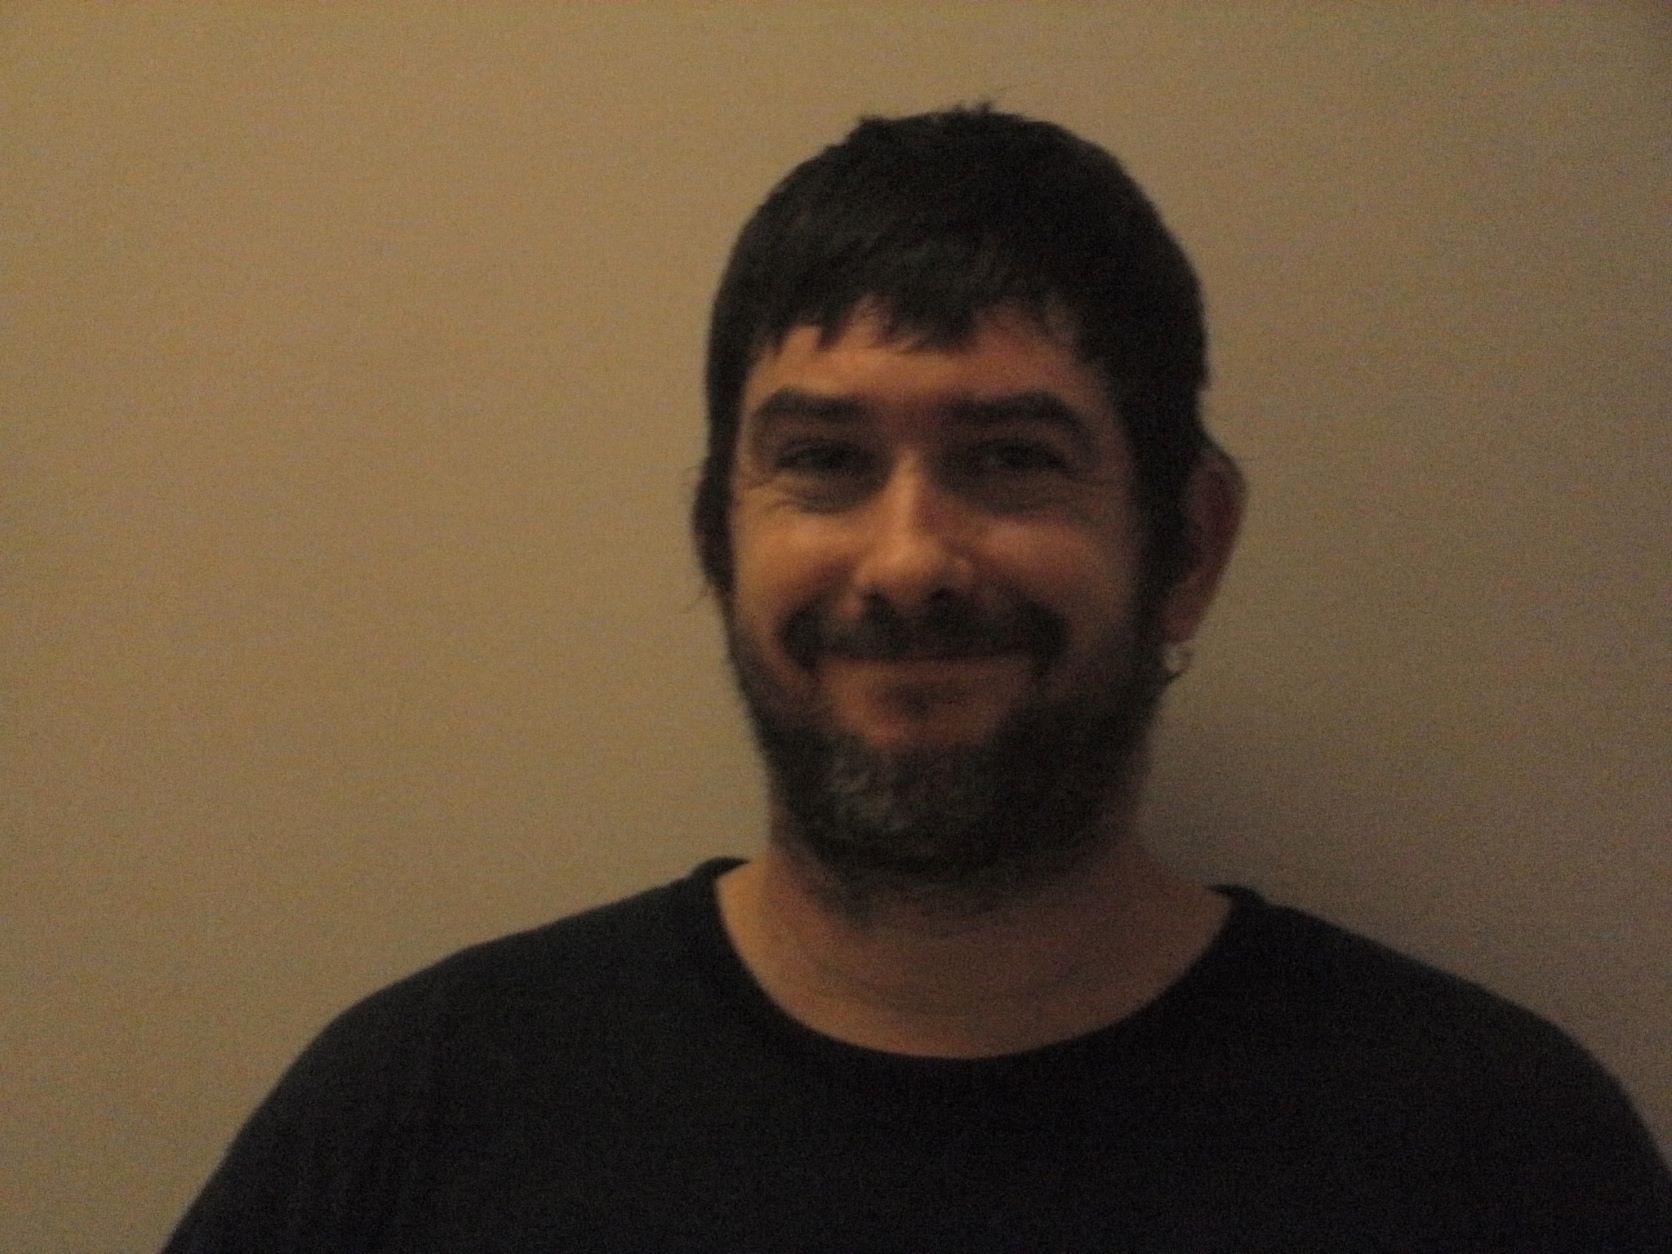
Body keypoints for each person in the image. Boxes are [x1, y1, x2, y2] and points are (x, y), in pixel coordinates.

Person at [163, 106, 1670, 1252]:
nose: (906, 561)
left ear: (1188, 545)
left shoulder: (1494, 1153)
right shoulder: (413, 1118)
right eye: (823, 461)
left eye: (1011, 459)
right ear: (716, 540)